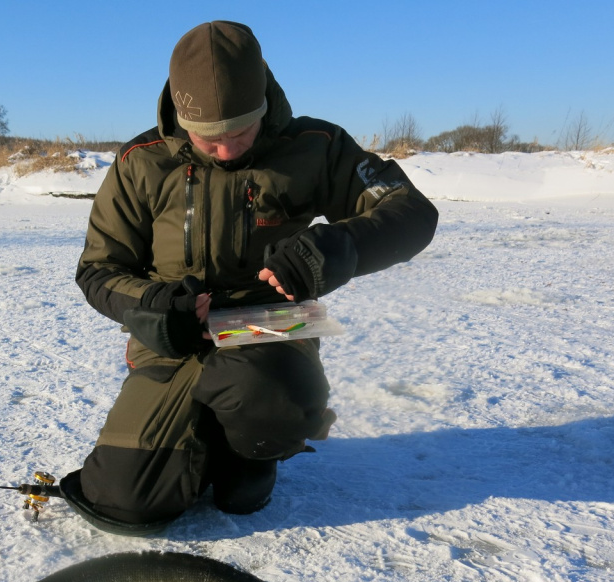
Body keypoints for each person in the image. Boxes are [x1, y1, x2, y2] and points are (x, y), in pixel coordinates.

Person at [60, 20, 438, 535]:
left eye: (240, 132)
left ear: (263, 102)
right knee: (127, 500)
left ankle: (250, 452)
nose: (226, 150)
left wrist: (336, 248)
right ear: (178, 112)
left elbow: (412, 212)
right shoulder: (139, 163)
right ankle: (200, 436)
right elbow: (98, 270)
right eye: (208, 138)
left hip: (270, 328)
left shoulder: (316, 145)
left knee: (249, 466)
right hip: (177, 339)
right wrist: (153, 307)